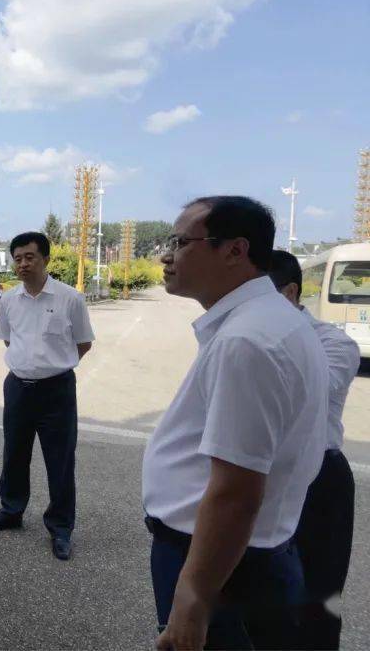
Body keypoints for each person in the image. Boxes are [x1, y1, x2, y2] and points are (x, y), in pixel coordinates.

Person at [143, 196, 327, 651]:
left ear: (234, 250)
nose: (167, 255)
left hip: (222, 566)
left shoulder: (247, 340)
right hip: (242, 555)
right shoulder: (272, 321)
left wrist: (193, 597)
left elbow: (236, 492)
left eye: (181, 242)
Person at [0, 232, 94, 562]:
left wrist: (51, 367)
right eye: (17, 258)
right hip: (17, 387)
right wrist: (28, 366)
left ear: (45, 258)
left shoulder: (70, 299)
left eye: (30, 257)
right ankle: (11, 511)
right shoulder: (9, 300)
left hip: (57, 390)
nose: (23, 264)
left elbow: (84, 344)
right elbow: (7, 340)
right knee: (14, 453)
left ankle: (60, 528)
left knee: (60, 461)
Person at [268, 249, 360, 650]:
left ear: (288, 294)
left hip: (319, 479)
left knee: (321, 592)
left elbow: (304, 393)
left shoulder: (335, 343)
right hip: (262, 473)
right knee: (257, 585)